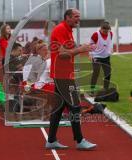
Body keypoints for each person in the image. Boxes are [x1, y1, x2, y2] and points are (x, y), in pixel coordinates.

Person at [46, 8, 97, 150]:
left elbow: (69, 51)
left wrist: (84, 48)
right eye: (76, 16)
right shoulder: (61, 29)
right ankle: (80, 141)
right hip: (63, 76)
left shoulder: (67, 30)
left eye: (79, 16)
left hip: (63, 74)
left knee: (59, 108)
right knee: (75, 107)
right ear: (67, 17)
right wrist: (81, 49)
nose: (78, 19)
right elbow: (63, 54)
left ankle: (51, 140)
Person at [89, 20, 113, 95]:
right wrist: (90, 54)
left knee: (108, 73)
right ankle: (92, 90)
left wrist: (110, 50)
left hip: (106, 57)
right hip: (96, 56)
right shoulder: (95, 35)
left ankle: (105, 89)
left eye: (107, 31)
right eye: (104, 31)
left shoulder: (111, 34)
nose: (106, 32)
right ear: (101, 28)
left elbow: (109, 43)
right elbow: (90, 44)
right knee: (96, 72)